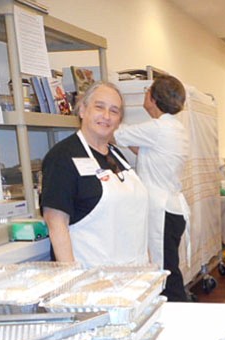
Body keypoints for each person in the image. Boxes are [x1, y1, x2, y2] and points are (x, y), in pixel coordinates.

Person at [41, 81, 149, 267]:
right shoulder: (62, 157)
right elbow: (56, 224)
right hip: (92, 277)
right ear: (83, 110)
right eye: (99, 107)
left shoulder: (116, 154)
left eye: (114, 111)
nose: (106, 116)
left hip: (134, 273)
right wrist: (72, 279)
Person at [114, 75, 189, 301]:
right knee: (167, 268)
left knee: (166, 273)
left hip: (163, 211)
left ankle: (180, 315)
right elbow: (146, 152)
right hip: (172, 210)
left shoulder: (158, 128)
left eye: (148, 90)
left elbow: (115, 133)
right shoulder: (173, 128)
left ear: (154, 98)